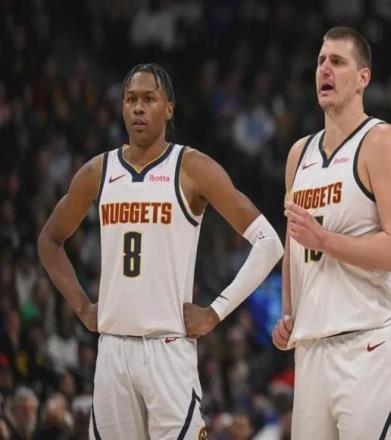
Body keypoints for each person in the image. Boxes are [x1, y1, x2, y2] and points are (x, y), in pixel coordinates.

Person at [38, 63, 283, 439]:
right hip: (113, 350)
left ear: (169, 108)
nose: (138, 107)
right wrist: (83, 307)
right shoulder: (97, 172)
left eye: (149, 99)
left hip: (167, 349)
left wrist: (215, 312)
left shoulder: (192, 167)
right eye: (130, 99)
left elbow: (269, 242)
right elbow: (49, 240)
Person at [272, 27, 391, 439]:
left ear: (362, 78)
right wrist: (289, 314)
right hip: (311, 349)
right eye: (321, 61)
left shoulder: (382, 142)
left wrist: (325, 241)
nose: (325, 69)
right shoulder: (298, 154)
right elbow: (293, 241)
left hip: (367, 346)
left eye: (337, 62)